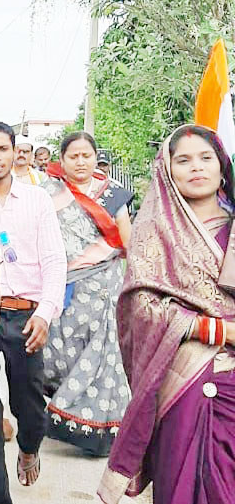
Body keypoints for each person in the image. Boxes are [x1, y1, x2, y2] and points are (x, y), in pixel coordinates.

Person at [99, 125, 235, 504]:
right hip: (184, 379)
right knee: (183, 483)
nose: (197, 167)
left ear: (222, 167)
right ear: (167, 169)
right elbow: (139, 308)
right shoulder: (153, 231)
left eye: (206, 158)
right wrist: (215, 329)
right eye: (184, 160)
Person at [0, 122, 67, 502]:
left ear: (14, 152)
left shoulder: (37, 200)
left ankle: (29, 445)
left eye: (2, 149)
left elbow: (54, 260)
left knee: (29, 404)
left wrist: (45, 314)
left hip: (26, 315)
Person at [41, 132, 133, 456]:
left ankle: (102, 430)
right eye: (73, 156)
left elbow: (126, 239)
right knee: (63, 350)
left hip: (107, 281)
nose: (80, 162)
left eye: (86, 155)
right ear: (62, 160)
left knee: (106, 353)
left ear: (96, 158)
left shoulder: (112, 194)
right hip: (65, 284)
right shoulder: (48, 193)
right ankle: (68, 402)